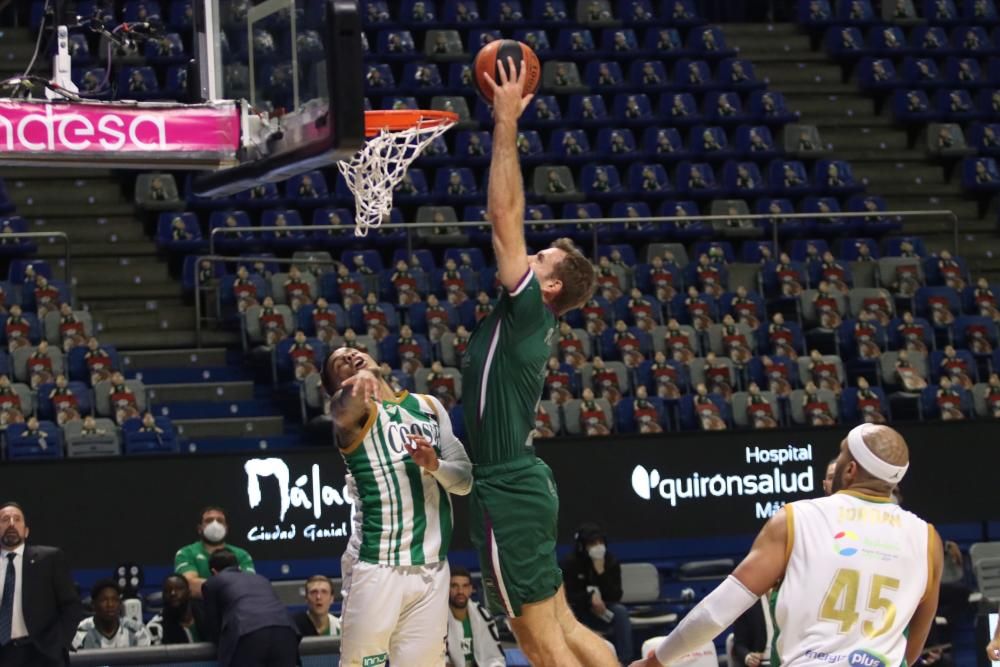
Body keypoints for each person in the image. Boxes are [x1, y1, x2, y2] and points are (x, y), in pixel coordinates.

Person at [463, 58, 610, 667]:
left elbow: (504, 215)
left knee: (540, 644)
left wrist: (504, 122)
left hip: (507, 487)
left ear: (548, 286)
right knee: (566, 627)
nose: (531, 253)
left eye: (541, 256)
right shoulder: (533, 316)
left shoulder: (527, 310)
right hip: (521, 482)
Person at [630, 424, 943, 667]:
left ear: (850, 470)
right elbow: (912, 647)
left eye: (842, 453)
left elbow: (717, 611)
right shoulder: (927, 539)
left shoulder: (796, 518)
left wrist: (659, 659)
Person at [322, 346, 473, 666]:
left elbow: (464, 482)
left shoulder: (429, 406)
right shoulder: (351, 416)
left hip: (433, 567)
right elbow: (341, 411)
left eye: (352, 353)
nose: (349, 359)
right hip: (377, 565)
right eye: (340, 364)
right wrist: (359, 381)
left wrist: (435, 465)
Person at [0, 502, 82, 666]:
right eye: (4, 520)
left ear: (26, 531)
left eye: (17, 519)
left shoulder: (49, 559)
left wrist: (59, 644)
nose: (11, 524)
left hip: (42, 654)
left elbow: (70, 606)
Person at [202, 549, 299, 667]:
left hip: (247, 633)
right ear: (238, 567)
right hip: (286, 630)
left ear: (214, 571)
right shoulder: (261, 579)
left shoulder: (212, 582)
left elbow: (213, 625)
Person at [562, 523, 634, 663]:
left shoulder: (610, 561)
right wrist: (589, 599)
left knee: (620, 612)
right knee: (568, 616)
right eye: (593, 543)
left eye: (600, 542)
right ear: (582, 546)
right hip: (579, 610)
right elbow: (568, 595)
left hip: (604, 609)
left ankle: (625, 661)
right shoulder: (570, 563)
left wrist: (601, 573)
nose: (598, 546)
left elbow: (616, 595)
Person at [174, 506, 255, 599]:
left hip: (235, 609)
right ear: (199, 528)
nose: (215, 524)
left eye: (220, 521)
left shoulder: (242, 555)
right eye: (209, 520)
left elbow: (249, 587)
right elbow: (190, 586)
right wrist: (231, 587)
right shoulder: (186, 553)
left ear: (226, 528)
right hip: (198, 610)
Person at [446, 567, 505, 667]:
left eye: (465, 586)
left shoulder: (482, 616)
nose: (460, 591)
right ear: (447, 588)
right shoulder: (437, 619)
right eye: (454, 586)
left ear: (470, 589)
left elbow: (494, 657)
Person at [72, 579, 151, 649]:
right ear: (93, 604)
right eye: (104, 600)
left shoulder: (137, 631)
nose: (110, 605)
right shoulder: (79, 633)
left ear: (120, 604)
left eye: (115, 600)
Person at [146, 575, 207, 645]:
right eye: (168, 590)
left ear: (189, 593)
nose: (173, 593)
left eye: (179, 588)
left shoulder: (207, 616)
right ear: (163, 596)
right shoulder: (155, 627)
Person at [730, 592, 773, 667]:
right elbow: (739, 644)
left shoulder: (789, 600)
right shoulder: (748, 604)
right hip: (762, 662)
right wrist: (748, 657)